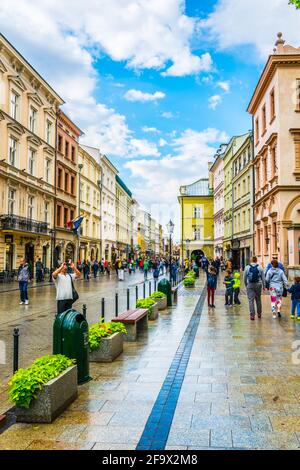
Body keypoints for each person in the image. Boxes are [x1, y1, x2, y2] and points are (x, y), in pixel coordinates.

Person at [244, 256, 266, 321]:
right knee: (258, 299)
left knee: (251, 300)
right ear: (256, 260)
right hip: (258, 284)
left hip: (250, 285)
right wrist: (264, 286)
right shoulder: (260, 267)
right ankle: (259, 314)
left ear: (251, 260)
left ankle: (252, 315)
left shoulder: (247, 267)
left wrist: (246, 285)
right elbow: (263, 278)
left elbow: (244, 278)